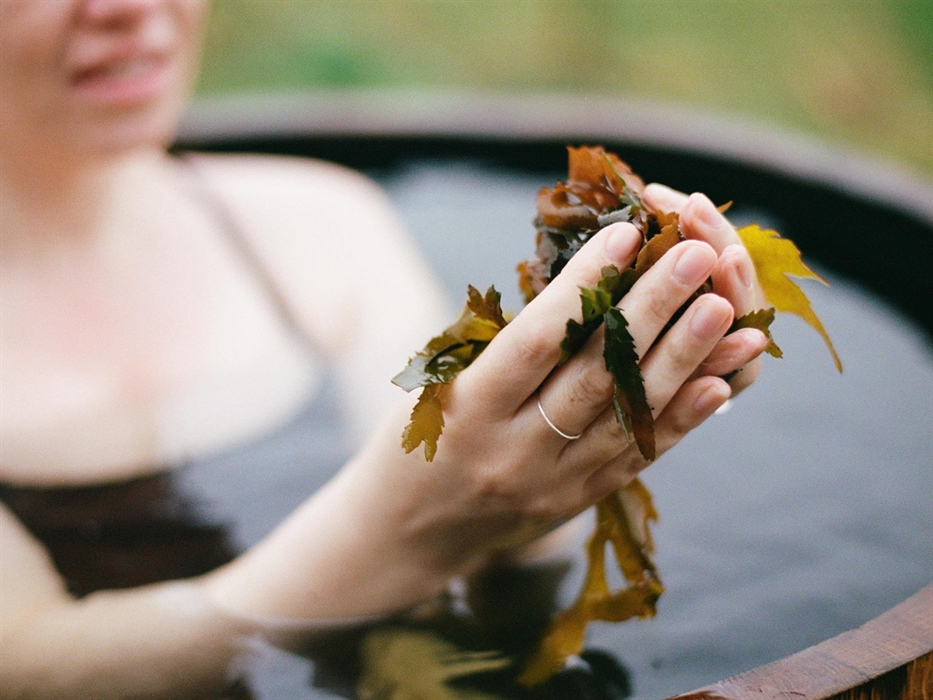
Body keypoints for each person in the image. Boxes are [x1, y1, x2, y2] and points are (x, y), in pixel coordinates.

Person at [0, 0, 770, 697]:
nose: (126, 8)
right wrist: (408, 523)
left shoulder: (321, 232)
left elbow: (485, 538)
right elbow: (31, 664)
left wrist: (564, 450)